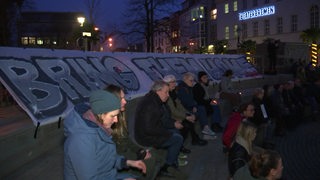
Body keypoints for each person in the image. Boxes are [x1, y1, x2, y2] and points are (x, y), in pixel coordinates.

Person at [64, 90, 146, 180]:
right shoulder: (81, 140)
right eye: (112, 116)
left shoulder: (100, 128)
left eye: (117, 115)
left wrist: (128, 162)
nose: (116, 120)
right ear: (100, 114)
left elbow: (105, 159)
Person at [105, 84, 165, 180]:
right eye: (121, 99)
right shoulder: (107, 123)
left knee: (156, 155)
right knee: (151, 159)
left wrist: (140, 151)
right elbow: (115, 153)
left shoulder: (120, 117)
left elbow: (127, 139)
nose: (125, 101)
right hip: (120, 160)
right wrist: (139, 155)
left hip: (125, 156)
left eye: (124, 98)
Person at [134, 80, 187, 178]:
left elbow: (160, 121)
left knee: (175, 132)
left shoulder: (154, 100)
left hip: (149, 132)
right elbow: (149, 129)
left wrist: (172, 125)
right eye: (166, 92)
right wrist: (166, 133)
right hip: (145, 137)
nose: (168, 95)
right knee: (177, 138)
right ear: (158, 91)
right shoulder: (150, 104)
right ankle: (167, 166)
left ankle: (173, 163)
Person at [163, 74, 207, 152]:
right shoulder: (167, 94)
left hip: (176, 114)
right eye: (172, 82)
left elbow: (179, 105)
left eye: (174, 82)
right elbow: (172, 111)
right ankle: (181, 146)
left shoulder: (173, 92)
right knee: (186, 124)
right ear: (166, 84)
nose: (174, 84)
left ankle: (193, 139)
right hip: (170, 117)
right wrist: (186, 116)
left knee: (190, 119)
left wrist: (187, 114)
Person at [177, 72, 216, 136]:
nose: (192, 82)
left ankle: (208, 127)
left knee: (203, 107)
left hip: (192, 106)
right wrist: (193, 106)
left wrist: (194, 106)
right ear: (185, 80)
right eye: (191, 80)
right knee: (201, 108)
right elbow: (186, 101)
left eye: (193, 80)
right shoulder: (183, 89)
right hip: (186, 108)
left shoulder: (188, 87)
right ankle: (205, 128)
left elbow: (192, 99)